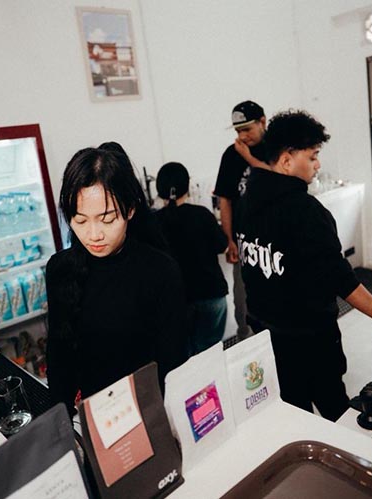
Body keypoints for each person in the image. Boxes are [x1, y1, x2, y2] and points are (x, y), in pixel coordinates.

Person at [235, 110, 372, 421]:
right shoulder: (306, 211)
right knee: (335, 409)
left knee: (293, 412)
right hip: (310, 340)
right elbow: (341, 279)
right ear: (287, 160)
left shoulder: (246, 202)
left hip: (267, 335)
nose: (317, 164)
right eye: (313, 156)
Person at [45, 146, 189, 416]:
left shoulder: (160, 271)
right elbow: (58, 354)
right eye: (80, 220)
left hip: (149, 412)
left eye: (107, 219)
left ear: (130, 209)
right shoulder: (60, 269)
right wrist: (61, 420)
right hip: (93, 415)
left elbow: (174, 365)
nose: (94, 235)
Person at [155, 162, 229, 355]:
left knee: (185, 359)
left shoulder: (154, 224)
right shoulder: (202, 215)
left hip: (177, 301)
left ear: (159, 191)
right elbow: (223, 246)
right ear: (187, 187)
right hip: (211, 294)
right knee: (210, 354)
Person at [214, 100, 268, 339]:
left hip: (275, 240)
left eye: (247, 129)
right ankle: (248, 346)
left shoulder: (276, 148)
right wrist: (229, 239)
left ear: (263, 122)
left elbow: (280, 180)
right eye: (238, 131)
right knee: (242, 304)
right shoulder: (231, 154)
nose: (242, 136)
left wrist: (249, 158)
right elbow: (224, 200)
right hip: (244, 243)